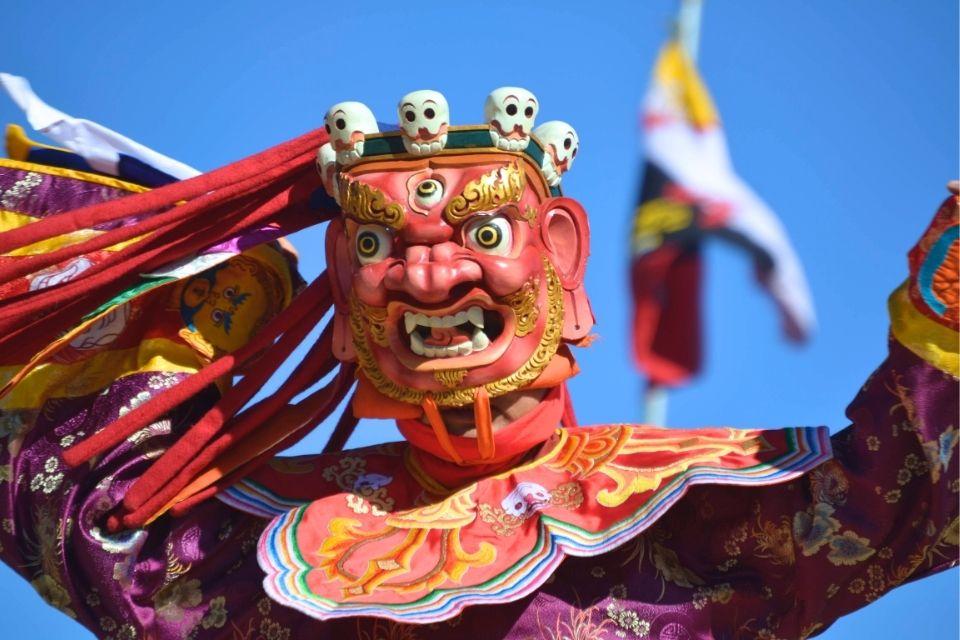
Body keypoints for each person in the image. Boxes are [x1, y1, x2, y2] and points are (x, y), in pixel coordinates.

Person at [0, 88, 955, 640]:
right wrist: (182, 325)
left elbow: (906, 494)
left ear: (563, 257)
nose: (429, 273)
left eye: (482, 232)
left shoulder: (706, 512)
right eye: (378, 248)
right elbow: (90, 528)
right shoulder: (255, 550)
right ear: (340, 297)